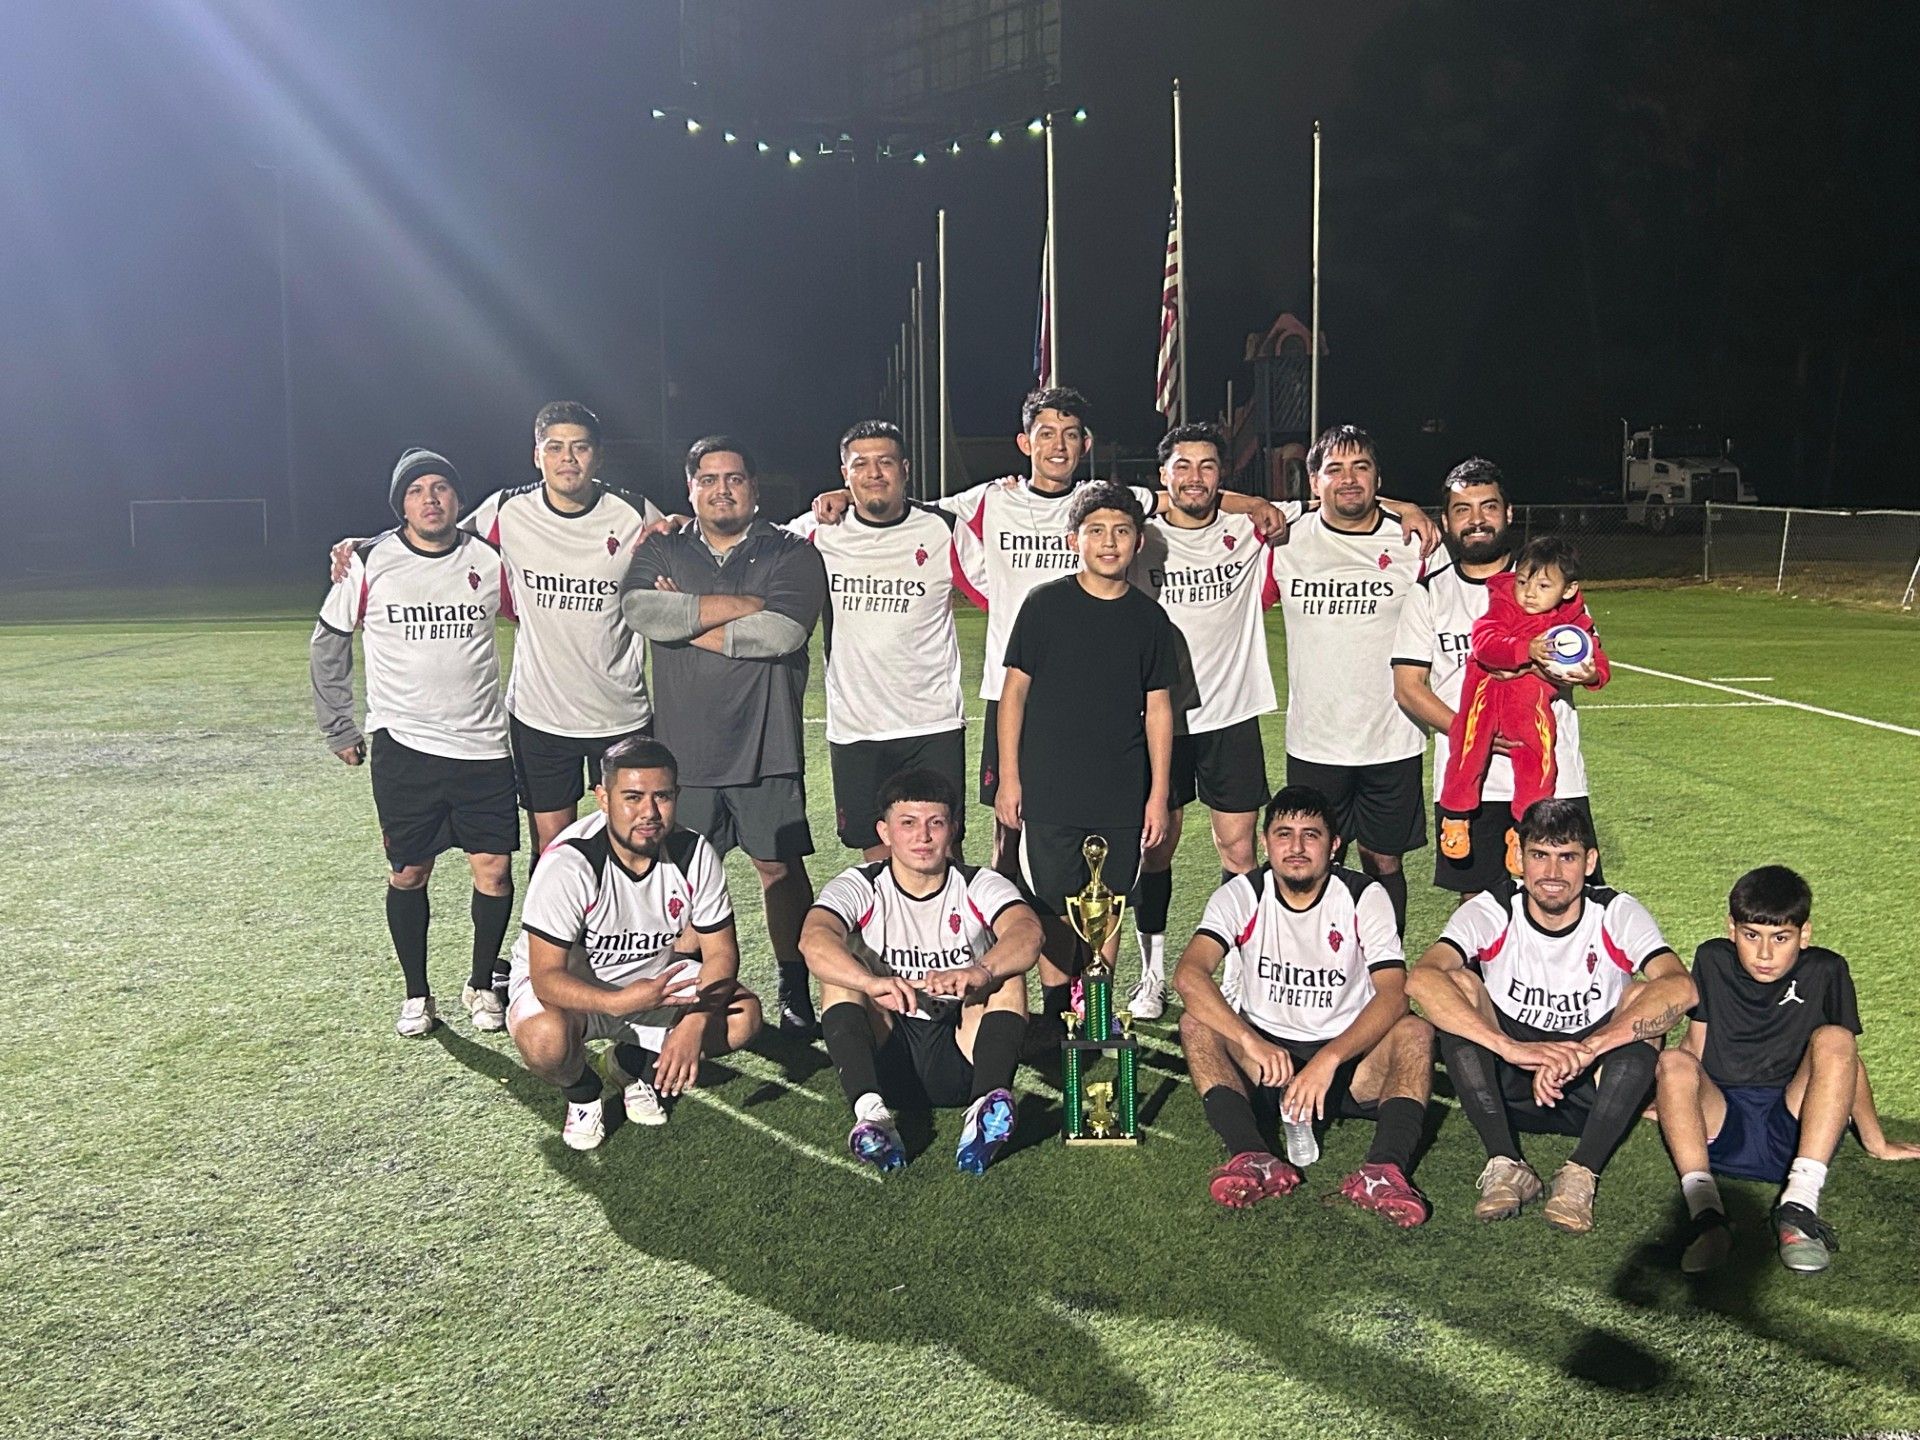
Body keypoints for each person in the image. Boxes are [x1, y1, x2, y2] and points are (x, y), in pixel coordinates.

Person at [811, 388, 1290, 873]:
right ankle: (1009, 918)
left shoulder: (1099, 501)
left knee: (1094, 825)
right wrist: (845, 495)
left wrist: (1253, 504)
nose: (1058, 446)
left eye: (1070, 435)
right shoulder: (988, 500)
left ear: (1085, 444)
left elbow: (1182, 494)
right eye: (1046, 434)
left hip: (1093, 694)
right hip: (1014, 689)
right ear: (1025, 442)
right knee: (1008, 831)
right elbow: (903, 504)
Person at [329, 403, 673, 1001]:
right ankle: (543, 963)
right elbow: (428, 532)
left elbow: (685, 535)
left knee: (634, 842)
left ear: (597, 455)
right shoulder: (504, 511)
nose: (568, 458)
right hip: (540, 714)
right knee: (552, 850)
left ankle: (635, 955)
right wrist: (361, 545)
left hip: (621, 711)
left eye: (580, 446)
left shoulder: (635, 512)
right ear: (536, 455)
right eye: (555, 447)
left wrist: (678, 535)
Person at [1407, 798, 1697, 1234]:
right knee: (1457, 986)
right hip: (1505, 1082)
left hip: (1593, 1086)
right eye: (1540, 855)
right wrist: (1512, 1049)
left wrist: (1589, 1049)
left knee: (1644, 996)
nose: (1553, 873)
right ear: (1519, 857)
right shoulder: (1493, 907)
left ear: (1590, 861)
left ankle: (1582, 1171)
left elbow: (1681, 987)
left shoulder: (1614, 911)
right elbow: (1421, 978)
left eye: (1568, 858)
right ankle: (1505, 1162)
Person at [621, 436, 829, 1037]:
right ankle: (681, 986)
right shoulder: (662, 545)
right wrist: (743, 604)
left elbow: (782, 634)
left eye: (734, 478)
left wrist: (685, 618)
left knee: (779, 871)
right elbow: (641, 611)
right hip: (682, 757)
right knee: (680, 877)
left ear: (754, 488)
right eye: (708, 479)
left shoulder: (792, 551)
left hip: (768, 746)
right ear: (690, 489)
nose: (722, 489)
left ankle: (793, 987)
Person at [311, 448, 518, 1037]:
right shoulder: (370, 562)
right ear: (400, 504)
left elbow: (537, 618)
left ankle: (481, 985)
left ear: (457, 498)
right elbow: (328, 640)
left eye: (440, 488)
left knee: (495, 872)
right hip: (405, 749)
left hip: (484, 747)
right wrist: (338, 725)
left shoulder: (489, 560)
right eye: (416, 490)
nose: (430, 499)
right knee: (409, 872)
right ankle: (417, 994)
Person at [1173, 786, 1436, 1224]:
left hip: (1347, 1060)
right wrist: (1249, 1041)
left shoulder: (1363, 895)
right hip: (1265, 1059)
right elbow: (1189, 975)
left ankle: (1383, 1172)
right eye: (1284, 834)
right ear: (1265, 842)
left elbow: (1394, 992)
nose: (1296, 847)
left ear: (1334, 846)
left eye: (1310, 835)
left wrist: (1329, 1059)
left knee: (1416, 1032)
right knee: (1195, 1024)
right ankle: (1252, 1156)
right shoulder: (1243, 893)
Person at [1655, 866, 1920, 1274]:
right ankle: (1706, 1216)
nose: (1764, 954)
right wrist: (1670, 1100)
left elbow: (1846, 1061)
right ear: (1731, 929)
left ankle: (1799, 1205)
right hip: (1721, 1126)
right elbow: (1694, 1045)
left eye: (1780, 938)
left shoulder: (1827, 970)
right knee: (1672, 1060)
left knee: (1836, 1037)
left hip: (1797, 1130)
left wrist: (1876, 1140)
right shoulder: (1712, 958)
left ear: (1804, 934)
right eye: (1751, 935)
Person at [505, 737, 762, 1151]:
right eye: (633, 797)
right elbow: (546, 977)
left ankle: (630, 1063)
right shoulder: (569, 863)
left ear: (676, 796)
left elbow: (721, 952)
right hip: (573, 992)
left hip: (653, 982)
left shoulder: (694, 852)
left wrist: (694, 1023)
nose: (649, 812)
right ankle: (583, 1092)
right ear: (603, 799)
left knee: (742, 1017)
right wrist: (616, 1003)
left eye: (662, 796)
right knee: (544, 1040)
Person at [996, 482, 1177, 1038]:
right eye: (1096, 531)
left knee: (1109, 901)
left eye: (1121, 531)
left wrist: (1158, 794)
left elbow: (1159, 709)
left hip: (1120, 789)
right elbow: (1014, 694)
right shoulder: (1044, 604)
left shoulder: (1149, 619)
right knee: (1054, 900)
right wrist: (1009, 777)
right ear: (1074, 540)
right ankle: (1059, 1013)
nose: (1109, 542)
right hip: (1050, 787)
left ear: (1138, 542)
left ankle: (1097, 1013)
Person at [800, 768, 1044, 1174]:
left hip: (963, 1049)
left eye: (936, 823)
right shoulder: (861, 883)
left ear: (954, 829)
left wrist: (981, 972)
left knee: (1007, 977)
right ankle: (872, 1115)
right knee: (839, 975)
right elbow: (813, 939)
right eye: (908, 823)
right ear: (884, 832)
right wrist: (870, 982)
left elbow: (1028, 933)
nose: (923, 837)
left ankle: (984, 1108)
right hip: (887, 1051)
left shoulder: (978, 883)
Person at [1391, 458, 1604, 902]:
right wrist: (1474, 732)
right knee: (1478, 910)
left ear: (1508, 513)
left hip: (1554, 777)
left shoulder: (1550, 584)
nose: (1477, 520)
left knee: (1568, 905)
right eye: (1462, 510)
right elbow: (1408, 687)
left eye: (1488, 507)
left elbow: (1583, 657)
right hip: (1470, 784)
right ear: (1446, 521)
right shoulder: (1428, 592)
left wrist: (1584, 672)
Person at [1269, 426, 1440, 936]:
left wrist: (1405, 510)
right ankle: (1322, 964)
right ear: (1313, 481)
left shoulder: (1413, 542)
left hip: (1393, 737)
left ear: (1377, 478)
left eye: (1360, 468)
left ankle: (1386, 965)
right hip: (1316, 741)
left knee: (1384, 861)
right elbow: (1212, 506)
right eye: (1335, 470)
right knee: (1315, 861)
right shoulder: (1285, 539)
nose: (1349, 480)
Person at [785, 420, 967, 861]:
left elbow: (999, 584)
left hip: (932, 722)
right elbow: (748, 545)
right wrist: (679, 524)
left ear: (905, 469)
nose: (874, 473)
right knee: (877, 855)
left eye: (885, 462)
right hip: (857, 725)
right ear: (844, 473)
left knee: (942, 849)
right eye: (860, 464)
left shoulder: (942, 527)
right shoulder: (817, 530)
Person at [1437, 536, 1608, 875]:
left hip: (1531, 706)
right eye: (1522, 581)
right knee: (1467, 753)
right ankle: (1455, 817)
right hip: (1484, 696)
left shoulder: (1573, 622)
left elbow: (1596, 659)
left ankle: (1521, 832)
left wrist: (1592, 675)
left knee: (1539, 765)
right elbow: (1484, 643)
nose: (1529, 592)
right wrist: (1525, 650)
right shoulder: (1502, 603)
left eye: (1543, 585)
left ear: (1569, 589)